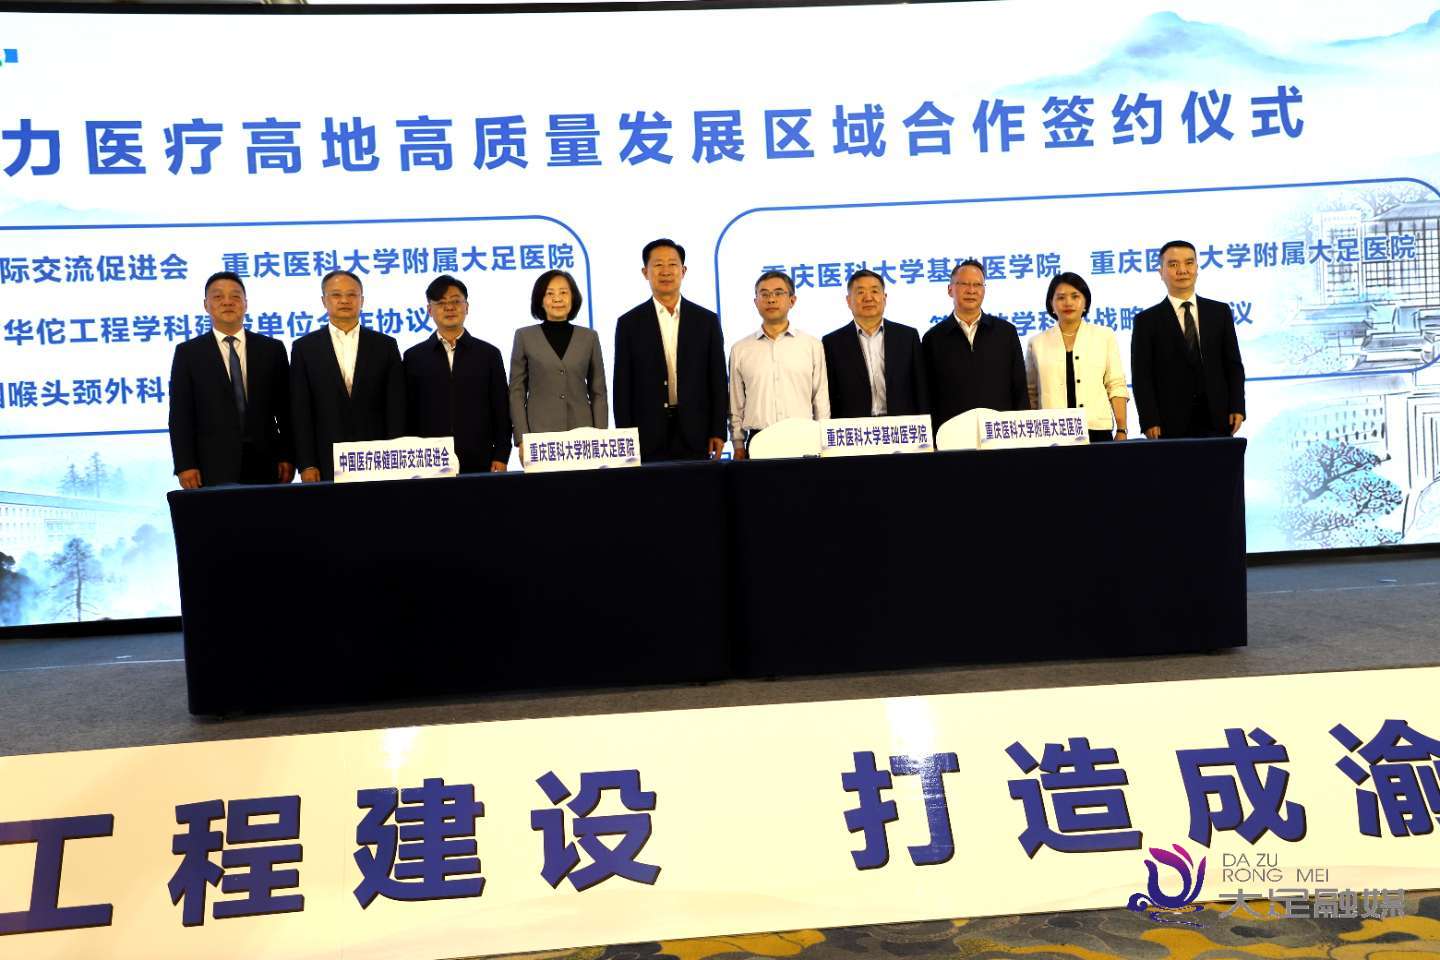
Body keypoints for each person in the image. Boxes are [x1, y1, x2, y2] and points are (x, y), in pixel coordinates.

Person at [168, 271, 294, 487]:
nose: (227, 302)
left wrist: (288, 455)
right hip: (211, 464)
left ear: (245, 304)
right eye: (218, 297)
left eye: (235, 296)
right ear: (206, 305)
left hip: (267, 461)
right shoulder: (188, 353)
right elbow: (181, 415)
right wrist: (185, 464)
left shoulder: (271, 349)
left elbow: (286, 410)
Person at [613, 238, 727, 461]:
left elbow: (718, 380)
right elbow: (622, 385)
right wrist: (625, 436)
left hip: (697, 431)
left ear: (683, 271)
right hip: (646, 433)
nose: (666, 271)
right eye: (658, 265)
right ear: (645, 272)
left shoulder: (706, 320)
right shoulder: (629, 323)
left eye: (672, 264)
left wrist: (718, 430)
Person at [290, 269, 405, 482]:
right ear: (324, 301)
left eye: (352, 294)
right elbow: (301, 411)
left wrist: (396, 454)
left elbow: (396, 407)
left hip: (377, 456)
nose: (344, 300)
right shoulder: (304, 348)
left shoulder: (385, 345)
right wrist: (307, 463)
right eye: (336, 295)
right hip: (325, 459)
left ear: (362, 300)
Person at [1131, 240, 1246, 439]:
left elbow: (1233, 364)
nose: (1182, 270)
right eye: (1173, 264)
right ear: (1161, 272)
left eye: (1189, 263)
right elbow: (1142, 376)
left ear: (1197, 268)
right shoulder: (1146, 320)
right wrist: (1149, 419)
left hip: (1218, 416)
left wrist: (1237, 406)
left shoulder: (1219, 312)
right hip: (1169, 420)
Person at [403, 274, 510, 473]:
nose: (449, 308)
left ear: (466, 307)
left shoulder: (488, 354)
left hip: (481, 457)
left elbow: (501, 408)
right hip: (429, 459)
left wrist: (502, 454)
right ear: (429, 310)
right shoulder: (414, 357)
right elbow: (408, 412)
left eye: (455, 301)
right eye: (441, 303)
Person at [728, 270, 829, 459]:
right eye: (764, 294)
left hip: (804, 439)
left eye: (778, 293)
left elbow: (821, 399)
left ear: (792, 300)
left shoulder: (811, 345)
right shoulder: (740, 349)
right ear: (756, 302)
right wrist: (738, 444)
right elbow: (736, 403)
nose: (771, 299)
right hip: (759, 440)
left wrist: (824, 442)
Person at [509, 269, 607, 454]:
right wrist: (522, 439)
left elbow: (598, 391)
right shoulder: (524, 336)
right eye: (549, 293)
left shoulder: (589, 337)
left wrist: (601, 436)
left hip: (583, 434)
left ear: (573, 297)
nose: (557, 298)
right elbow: (517, 392)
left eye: (563, 292)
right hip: (539, 435)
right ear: (540, 300)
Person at [1025, 272, 1130, 442]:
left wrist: (1121, 428)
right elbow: (1031, 393)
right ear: (1051, 304)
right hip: (1052, 431)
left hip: (1096, 429)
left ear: (1085, 302)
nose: (1068, 302)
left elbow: (1115, 384)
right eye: (1061, 297)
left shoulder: (1104, 336)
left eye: (1075, 296)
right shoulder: (1036, 343)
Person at [921, 259, 1027, 427]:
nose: (971, 290)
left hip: (999, 431)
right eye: (964, 284)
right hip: (951, 433)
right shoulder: (933, 338)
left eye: (977, 285)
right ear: (950, 289)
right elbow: (927, 395)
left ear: (984, 290)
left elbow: (1020, 388)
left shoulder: (1006, 332)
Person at [822, 269, 927, 419]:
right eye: (860, 292)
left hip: (900, 425)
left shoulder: (907, 336)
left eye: (875, 291)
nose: (868, 298)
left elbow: (921, 388)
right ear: (848, 300)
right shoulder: (832, 342)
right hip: (854, 427)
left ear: (884, 298)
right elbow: (829, 395)